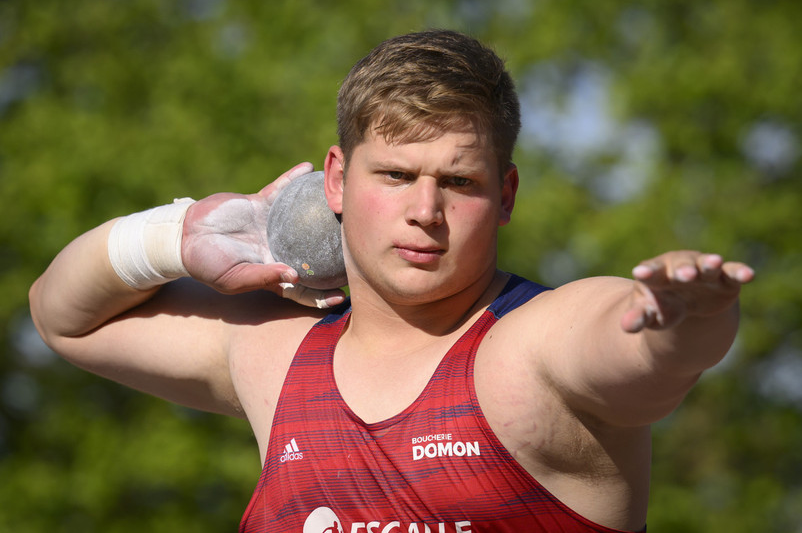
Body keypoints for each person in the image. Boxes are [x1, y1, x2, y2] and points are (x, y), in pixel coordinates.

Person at [29, 29, 754, 533]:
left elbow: (640, 351)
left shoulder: (531, 347)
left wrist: (686, 316)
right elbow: (62, 315)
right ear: (337, 181)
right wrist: (177, 237)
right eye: (396, 175)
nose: (424, 213)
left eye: (458, 182)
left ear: (504, 195)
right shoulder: (274, 357)